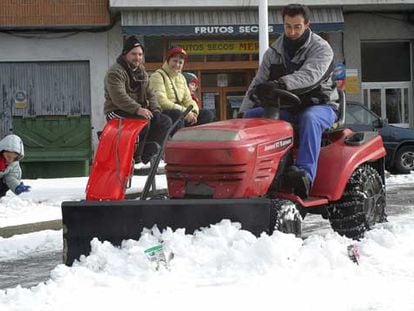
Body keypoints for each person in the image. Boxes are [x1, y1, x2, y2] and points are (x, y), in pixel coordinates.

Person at [240, 3, 339, 199]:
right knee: (251, 118)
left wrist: (280, 84)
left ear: (307, 25)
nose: (292, 32)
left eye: (297, 27)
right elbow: (258, 82)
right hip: (288, 107)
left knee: (310, 119)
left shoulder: (321, 49)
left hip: (320, 105)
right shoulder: (273, 52)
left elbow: (310, 76)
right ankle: (250, 174)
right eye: (287, 26)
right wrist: (243, 111)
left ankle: (304, 176)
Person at [104, 36, 172, 164]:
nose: (138, 57)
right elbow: (118, 97)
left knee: (164, 121)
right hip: (116, 111)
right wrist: (138, 109)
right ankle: (136, 159)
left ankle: (148, 157)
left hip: (138, 111)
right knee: (142, 121)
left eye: (140, 54)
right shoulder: (115, 72)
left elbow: (150, 93)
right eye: (134, 54)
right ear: (125, 54)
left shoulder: (142, 72)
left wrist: (156, 110)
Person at [149, 46, 213, 133]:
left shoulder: (181, 78)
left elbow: (188, 100)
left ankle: (195, 139)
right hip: (164, 113)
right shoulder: (157, 76)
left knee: (207, 114)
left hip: (182, 113)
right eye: (174, 61)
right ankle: (178, 143)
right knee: (177, 114)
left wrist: (193, 111)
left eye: (180, 62)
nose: (177, 65)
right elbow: (161, 101)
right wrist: (185, 112)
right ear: (168, 61)